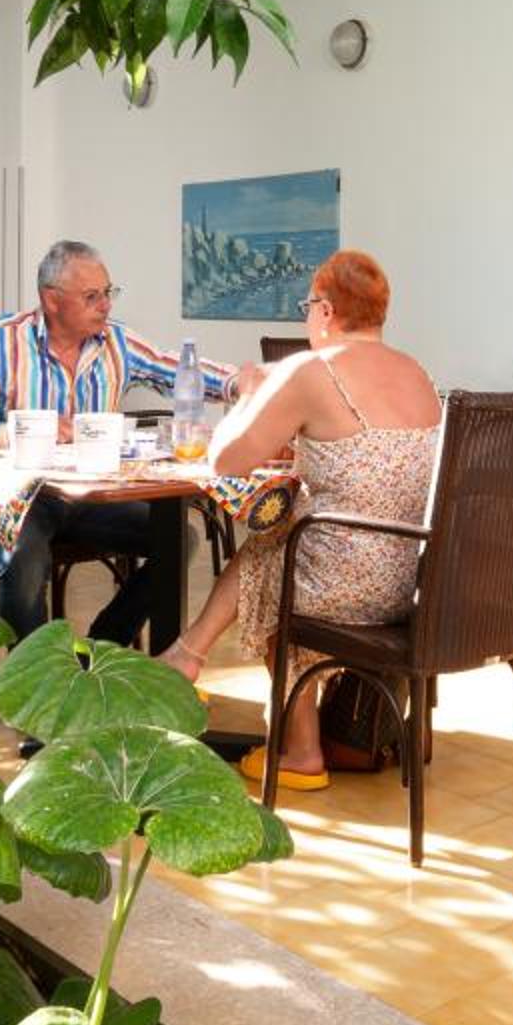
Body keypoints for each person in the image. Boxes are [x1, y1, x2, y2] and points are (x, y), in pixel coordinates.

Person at [159, 249, 440, 791]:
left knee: (270, 559)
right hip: (409, 580)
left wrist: (250, 393)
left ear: (327, 311)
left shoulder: (312, 370)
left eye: (308, 306)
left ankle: (297, 747)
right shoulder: (417, 373)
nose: (307, 316)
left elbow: (225, 460)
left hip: (343, 584)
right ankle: (188, 657)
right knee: (278, 544)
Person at [0, 238, 253, 642]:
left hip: (85, 496)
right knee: (24, 555)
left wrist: (235, 382)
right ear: (52, 300)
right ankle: (40, 674)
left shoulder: (115, 341)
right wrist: (17, 433)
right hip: (10, 496)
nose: (106, 305)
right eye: (92, 296)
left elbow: (173, 367)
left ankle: (101, 648)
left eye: (108, 292)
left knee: (177, 540)